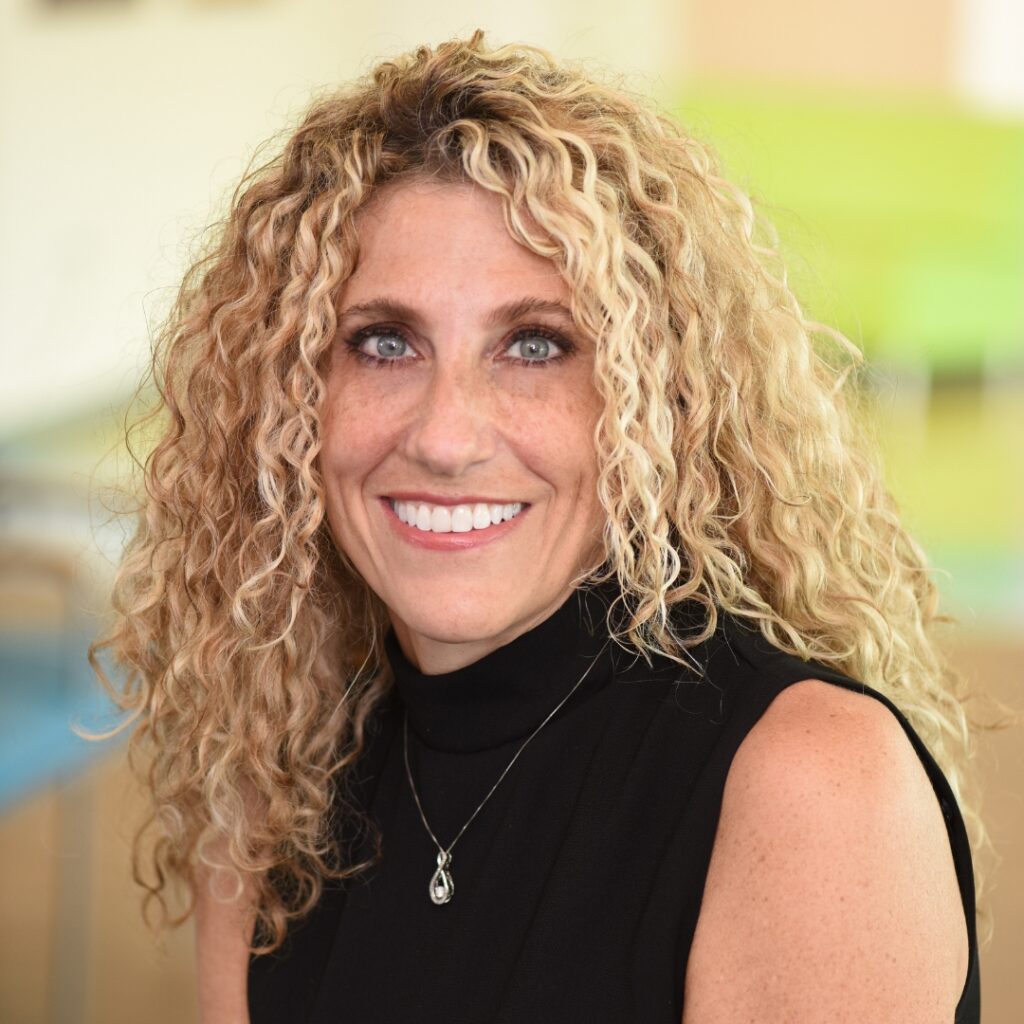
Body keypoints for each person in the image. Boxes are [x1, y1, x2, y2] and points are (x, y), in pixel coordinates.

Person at [93, 30, 985, 1023]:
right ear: (290, 398)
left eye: (533, 345)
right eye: (383, 342)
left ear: (658, 400)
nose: (445, 436)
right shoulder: (272, 783)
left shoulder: (808, 785)